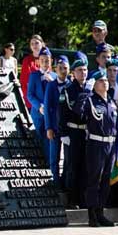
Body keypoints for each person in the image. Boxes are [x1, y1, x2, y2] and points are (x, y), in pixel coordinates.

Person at [76, 70, 117, 227]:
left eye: (106, 80)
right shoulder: (91, 101)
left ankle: (101, 212)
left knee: (106, 180)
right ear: (94, 85)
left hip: (110, 145)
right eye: (100, 81)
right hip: (96, 144)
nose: (104, 82)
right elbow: (77, 112)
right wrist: (85, 92)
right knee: (94, 180)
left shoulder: (111, 102)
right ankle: (92, 214)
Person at [58, 58, 90, 208]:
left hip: (85, 132)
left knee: (85, 166)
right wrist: (63, 133)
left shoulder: (90, 89)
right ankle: (72, 199)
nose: (83, 73)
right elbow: (63, 113)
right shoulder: (68, 90)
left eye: (84, 70)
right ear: (73, 73)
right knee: (72, 167)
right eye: (79, 70)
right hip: (72, 132)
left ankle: (83, 198)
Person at [44, 56, 70, 187]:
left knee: (67, 156)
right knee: (54, 155)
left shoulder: (71, 84)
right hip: (54, 126)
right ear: (55, 69)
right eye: (60, 68)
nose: (62, 71)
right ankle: (55, 180)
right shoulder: (51, 85)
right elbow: (47, 107)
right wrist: (48, 127)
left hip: (67, 127)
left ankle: (64, 179)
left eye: (65, 68)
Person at [27, 47, 54, 163]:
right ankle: (37, 164)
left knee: (50, 141)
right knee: (38, 138)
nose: (44, 63)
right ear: (38, 62)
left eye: (47, 60)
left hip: (51, 115)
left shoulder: (54, 76)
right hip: (38, 114)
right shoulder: (34, 75)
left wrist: (52, 82)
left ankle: (49, 164)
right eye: (42, 60)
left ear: (51, 61)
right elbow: (30, 95)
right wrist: (39, 106)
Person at [19, 34, 45, 109]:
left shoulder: (47, 59)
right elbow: (24, 81)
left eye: (37, 43)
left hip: (44, 99)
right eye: (32, 44)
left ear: (42, 44)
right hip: (31, 99)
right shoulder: (27, 60)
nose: (34, 45)